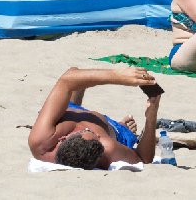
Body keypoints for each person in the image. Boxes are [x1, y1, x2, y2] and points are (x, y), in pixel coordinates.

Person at [28, 66, 163, 169]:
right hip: (114, 131)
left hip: (73, 111)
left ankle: (79, 95)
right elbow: (144, 158)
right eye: (95, 135)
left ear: (62, 139)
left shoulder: (41, 141)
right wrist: (151, 116)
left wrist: (118, 76)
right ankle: (120, 126)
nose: (89, 128)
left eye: (86, 131)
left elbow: (66, 79)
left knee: (75, 74)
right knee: (117, 132)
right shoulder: (107, 147)